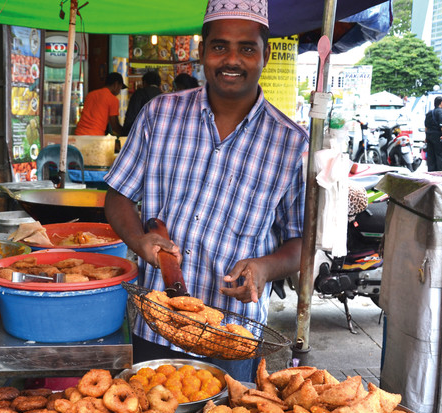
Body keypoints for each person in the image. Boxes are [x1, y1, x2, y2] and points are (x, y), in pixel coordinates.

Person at [103, 0, 307, 382]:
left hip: (232, 338)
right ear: (202, 52)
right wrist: (139, 240)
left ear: (265, 54)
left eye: (247, 47)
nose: (232, 59)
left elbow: (299, 243)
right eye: (219, 46)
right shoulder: (159, 115)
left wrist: (263, 268)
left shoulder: (291, 144)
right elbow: (117, 196)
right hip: (156, 329)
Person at [121, 70, 162, 136]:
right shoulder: (164, 96)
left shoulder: (139, 94)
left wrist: (124, 134)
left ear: (144, 82)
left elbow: (131, 115)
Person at [425, 95, 442, 171]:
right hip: (437, 137)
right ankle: (439, 172)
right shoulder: (440, 112)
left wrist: (426, 137)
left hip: (429, 137)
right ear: (441, 103)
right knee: (439, 156)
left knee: (431, 156)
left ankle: (431, 172)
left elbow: (426, 127)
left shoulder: (429, 113)